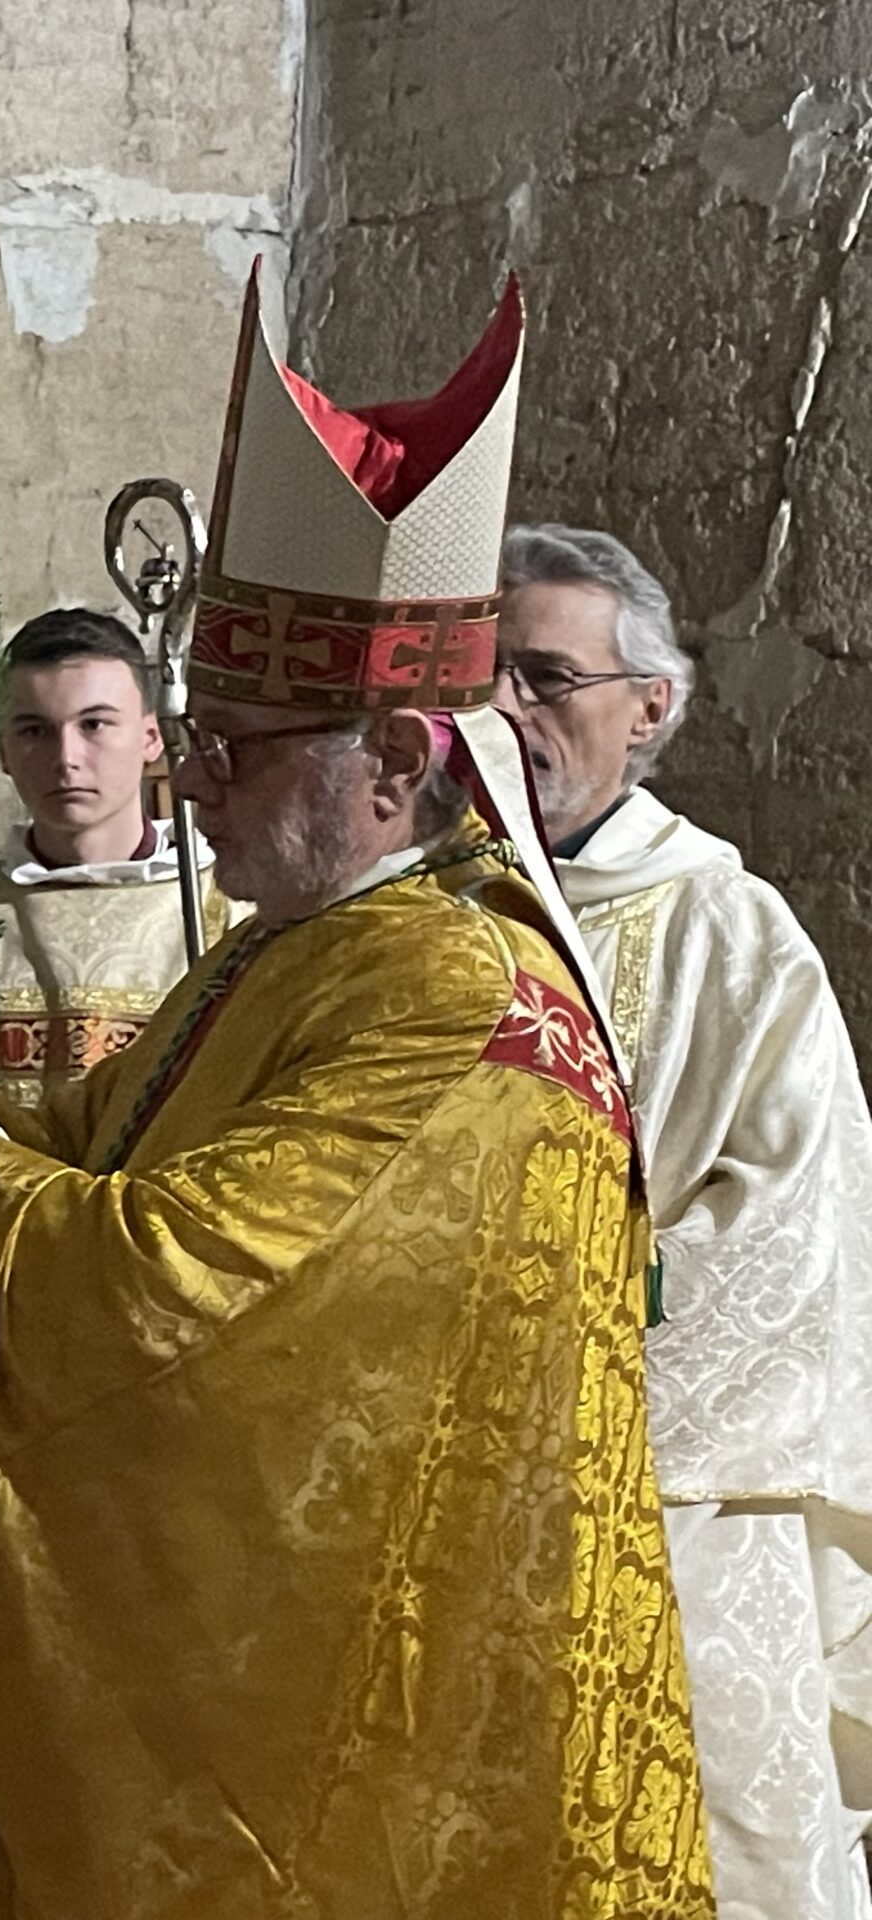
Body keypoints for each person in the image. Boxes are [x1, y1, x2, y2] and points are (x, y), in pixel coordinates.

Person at [0, 273, 713, 1916]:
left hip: (376, 1772)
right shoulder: (302, 939)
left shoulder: (464, 1004)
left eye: (239, 745)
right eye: (196, 734)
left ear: (399, 765)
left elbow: (165, 1305)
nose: (188, 777)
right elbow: (101, 1150)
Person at [502, 521, 872, 1920]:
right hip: (455, 1503)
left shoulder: (732, 933)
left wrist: (545, 1351)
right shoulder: (431, 917)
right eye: (481, 682)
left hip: (675, 1510)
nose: (506, 714)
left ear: (650, 707)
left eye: (546, 678)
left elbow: (794, 1233)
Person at [0, 607, 229, 1102]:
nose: (66, 758)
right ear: (3, 752)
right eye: (34, 731)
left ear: (151, 737)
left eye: (94, 724)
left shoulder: (223, 910)